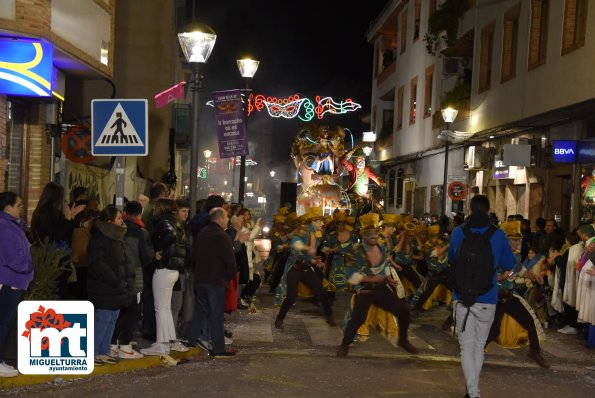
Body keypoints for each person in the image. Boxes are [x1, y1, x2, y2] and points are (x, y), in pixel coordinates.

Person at [448, 195, 516, 398]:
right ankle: (473, 392)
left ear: (469, 209)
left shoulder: (458, 232)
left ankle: (473, 391)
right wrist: (503, 276)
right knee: (478, 347)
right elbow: (510, 265)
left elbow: (452, 259)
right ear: (488, 211)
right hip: (488, 298)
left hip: (461, 297)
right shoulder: (498, 234)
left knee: (465, 348)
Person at [337, 212, 418, 357]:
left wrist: (388, 278)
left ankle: (403, 340)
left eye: (376, 232)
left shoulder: (381, 248)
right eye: (370, 233)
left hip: (381, 289)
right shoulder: (354, 252)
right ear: (363, 235)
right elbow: (350, 277)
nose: (374, 236)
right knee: (357, 320)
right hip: (364, 291)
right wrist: (370, 279)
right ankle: (344, 345)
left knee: (403, 311)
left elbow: (384, 264)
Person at [141, 199, 189, 355]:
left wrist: (160, 251)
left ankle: (161, 344)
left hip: (164, 268)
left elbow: (169, 236)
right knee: (166, 308)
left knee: (160, 308)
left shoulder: (164, 221)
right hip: (175, 269)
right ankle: (170, 341)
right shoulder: (178, 222)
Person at [275, 206, 335, 329]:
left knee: (322, 292)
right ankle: (280, 318)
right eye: (320, 221)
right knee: (291, 296)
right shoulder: (304, 229)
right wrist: (308, 248)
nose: (322, 223)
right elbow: (295, 243)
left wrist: (314, 260)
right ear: (312, 221)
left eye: (322, 221)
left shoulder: (316, 234)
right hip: (295, 267)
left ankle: (329, 316)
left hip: (306, 267)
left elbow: (308, 255)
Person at [193, 208, 238, 357]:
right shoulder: (223, 236)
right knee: (216, 315)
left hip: (200, 279)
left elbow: (195, 255)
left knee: (200, 311)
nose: (227, 221)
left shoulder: (202, 233)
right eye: (226, 218)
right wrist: (230, 276)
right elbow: (230, 261)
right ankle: (218, 348)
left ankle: (190, 339)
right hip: (216, 281)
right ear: (219, 219)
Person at [111, 201, 154, 359]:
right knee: (133, 309)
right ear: (139, 214)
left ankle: (113, 344)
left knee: (119, 309)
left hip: (119, 273)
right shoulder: (140, 231)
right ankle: (125, 345)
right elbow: (146, 256)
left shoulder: (117, 230)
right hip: (135, 274)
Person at [87, 205, 129, 366]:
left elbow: (124, 260)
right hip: (103, 286)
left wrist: (125, 278)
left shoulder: (118, 237)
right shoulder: (99, 237)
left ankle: (104, 351)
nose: (121, 221)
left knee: (113, 318)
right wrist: (113, 277)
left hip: (117, 286)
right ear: (110, 221)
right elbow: (97, 263)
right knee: (103, 318)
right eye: (119, 218)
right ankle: (92, 352)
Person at [0, 192, 33, 377]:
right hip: (9, 282)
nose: (22, 208)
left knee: (5, 323)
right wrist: (28, 266)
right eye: (19, 205)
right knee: (3, 323)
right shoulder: (5, 227)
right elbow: (13, 258)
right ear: (8, 208)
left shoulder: (11, 226)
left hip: (13, 282)